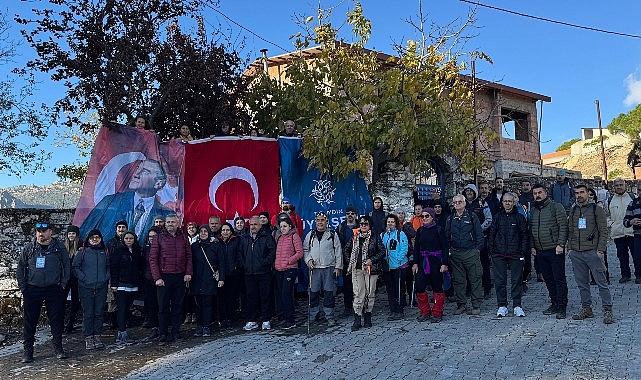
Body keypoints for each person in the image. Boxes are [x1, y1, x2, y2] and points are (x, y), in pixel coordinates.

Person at [80, 159, 173, 243]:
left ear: (158, 183)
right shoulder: (109, 202)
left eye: (145, 172)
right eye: (137, 169)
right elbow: (85, 234)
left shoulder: (166, 215)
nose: (136, 174)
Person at [17, 222, 70, 362]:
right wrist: (24, 289)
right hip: (33, 289)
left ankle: (58, 347)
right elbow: (21, 269)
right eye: (38, 231)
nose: (41, 233)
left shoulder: (59, 248)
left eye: (44, 231)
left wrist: (62, 285)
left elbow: (66, 267)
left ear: (50, 232)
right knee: (30, 321)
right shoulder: (29, 249)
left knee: (56, 319)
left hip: (54, 289)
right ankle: (28, 351)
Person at [567, 184, 613, 324]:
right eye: (576, 193)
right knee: (582, 284)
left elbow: (603, 231)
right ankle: (587, 308)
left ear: (588, 194)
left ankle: (607, 309)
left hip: (593, 252)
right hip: (577, 253)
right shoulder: (573, 210)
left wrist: (600, 250)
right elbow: (570, 231)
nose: (579, 195)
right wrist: (570, 249)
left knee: (601, 282)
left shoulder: (596, 210)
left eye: (582, 192)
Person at [149, 214, 193, 345]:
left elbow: (189, 256)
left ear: (177, 223)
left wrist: (188, 272)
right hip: (164, 277)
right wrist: (157, 277)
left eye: (172, 222)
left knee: (178, 306)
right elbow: (153, 259)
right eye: (168, 222)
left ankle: (176, 331)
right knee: (162, 307)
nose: (170, 224)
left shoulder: (183, 237)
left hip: (179, 276)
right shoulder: (158, 238)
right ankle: (163, 333)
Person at [530, 183, 569, 319]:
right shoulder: (534, 210)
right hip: (540, 250)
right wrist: (532, 246)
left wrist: (561, 244)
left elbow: (563, 226)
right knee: (548, 279)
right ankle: (554, 303)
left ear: (545, 193)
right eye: (535, 193)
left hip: (555, 249)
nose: (537, 195)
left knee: (559, 279)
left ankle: (562, 306)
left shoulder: (556, 207)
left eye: (540, 192)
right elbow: (532, 229)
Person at [488, 193, 529, 317]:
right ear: (502, 202)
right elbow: (492, 235)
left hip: (516, 253)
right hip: (498, 254)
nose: (507, 203)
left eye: (509, 201)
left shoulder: (519, 217)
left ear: (513, 202)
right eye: (505, 201)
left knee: (517, 280)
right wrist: (492, 251)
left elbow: (524, 235)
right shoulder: (497, 217)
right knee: (500, 281)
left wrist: (522, 251)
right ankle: (502, 305)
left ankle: (517, 305)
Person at [345, 215, 385, 331]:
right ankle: (357, 318)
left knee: (370, 293)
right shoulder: (354, 237)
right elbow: (346, 250)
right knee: (358, 294)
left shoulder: (375, 237)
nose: (363, 226)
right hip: (357, 269)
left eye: (365, 224)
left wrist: (372, 260)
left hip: (370, 270)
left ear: (370, 226)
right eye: (361, 224)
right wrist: (351, 261)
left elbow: (382, 251)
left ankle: (368, 316)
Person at [445, 194, 484, 316]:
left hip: (470, 252)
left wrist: (477, 250)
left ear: (464, 203)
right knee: (458, 280)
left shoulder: (472, 217)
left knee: (475, 278)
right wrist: (449, 251)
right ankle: (461, 304)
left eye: (460, 202)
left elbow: (479, 235)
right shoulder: (450, 218)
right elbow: (446, 236)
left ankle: (476, 304)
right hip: (456, 253)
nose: (457, 204)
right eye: (455, 202)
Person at [303, 212, 343, 327]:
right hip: (314, 268)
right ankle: (313, 316)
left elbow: (338, 251)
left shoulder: (332, 234)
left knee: (329, 293)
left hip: (328, 267)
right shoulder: (310, 234)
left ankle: (329, 316)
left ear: (327, 222)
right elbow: (305, 249)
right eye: (318, 220)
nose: (320, 222)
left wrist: (338, 267)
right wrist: (308, 260)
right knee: (313, 293)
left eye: (322, 220)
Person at [73, 229, 110, 350]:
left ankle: (97, 335)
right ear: (88, 239)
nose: (95, 239)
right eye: (92, 237)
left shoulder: (105, 251)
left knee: (99, 313)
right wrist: (84, 278)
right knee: (88, 313)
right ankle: (88, 337)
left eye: (97, 237)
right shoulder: (82, 251)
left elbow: (109, 267)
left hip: (101, 287)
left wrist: (106, 277)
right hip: (86, 287)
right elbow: (75, 267)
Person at [240, 216, 276, 331]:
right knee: (251, 297)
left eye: (255, 224)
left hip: (264, 272)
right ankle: (252, 320)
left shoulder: (267, 236)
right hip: (249, 273)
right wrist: (244, 264)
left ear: (260, 225)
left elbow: (272, 251)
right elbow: (240, 253)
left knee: (265, 296)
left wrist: (264, 263)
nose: (253, 227)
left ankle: (266, 320)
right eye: (251, 225)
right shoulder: (245, 238)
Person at [412, 208, 448, 323]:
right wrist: (415, 263)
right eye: (422, 216)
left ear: (432, 217)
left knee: (437, 286)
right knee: (419, 286)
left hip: (436, 261)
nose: (424, 218)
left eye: (426, 216)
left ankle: (437, 312)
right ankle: (425, 311)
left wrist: (444, 263)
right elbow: (416, 248)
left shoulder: (439, 230)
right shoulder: (420, 231)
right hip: (423, 261)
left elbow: (445, 247)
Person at [190, 225, 225, 337]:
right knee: (198, 305)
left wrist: (221, 278)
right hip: (196, 280)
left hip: (209, 279)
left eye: (206, 231)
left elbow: (221, 263)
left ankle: (207, 326)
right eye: (201, 231)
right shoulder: (194, 246)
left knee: (208, 304)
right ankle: (199, 326)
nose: (203, 233)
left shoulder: (215, 246)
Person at [110, 231, 143, 344]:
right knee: (122, 308)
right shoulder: (118, 251)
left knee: (128, 307)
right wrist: (114, 283)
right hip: (121, 285)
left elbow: (139, 267)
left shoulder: (137, 251)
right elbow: (114, 268)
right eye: (127, 238)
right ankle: (122, 331)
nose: (129, 240)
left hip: (133, 285)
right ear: (123, 240)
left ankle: (122, 331)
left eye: (131, 238)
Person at [462, 184, 493, 299]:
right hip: (468, 240)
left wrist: (478, 229)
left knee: (484, 263)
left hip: (481, 238)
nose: (469, 193)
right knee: (469, 265)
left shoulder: (482, 203)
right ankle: (469, 288)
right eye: (467, 191)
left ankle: (487, 287)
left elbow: (489, 219)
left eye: (471, 191)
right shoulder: (463, 204)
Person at [274, 218, 304, 329]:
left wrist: (289, 260)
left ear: (290, 226)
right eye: (281, 227)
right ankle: (284, 316)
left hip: (290, 269)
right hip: (279, 269)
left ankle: (290, 320)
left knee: (286, 293)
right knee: (281, 294)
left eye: (285, 226)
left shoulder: (294, 236)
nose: (283, 229)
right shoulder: (280, 238)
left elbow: (300, 252)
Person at [381, 214, 410, 320]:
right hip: (387, 267)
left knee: (399, 288)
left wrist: (398, 259)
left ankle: (400, 309)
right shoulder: (383, 235)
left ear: (396, 223)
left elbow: (404, 248)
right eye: (388, 222)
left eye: (392, 222)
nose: (390, 224)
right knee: (390, 289)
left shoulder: (400, 234)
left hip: (399, 266)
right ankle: (393, 309)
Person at [609, 178, 635, 283]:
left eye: (621, 185)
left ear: (625, 186)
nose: (619, 187)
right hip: (618, 232)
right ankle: (625, 275)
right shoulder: (610, 200)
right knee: (622, 256)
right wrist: (611, 224)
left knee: (636, 254)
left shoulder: (633, 198)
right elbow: (606, 215)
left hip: (632, 231)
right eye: (617, 185)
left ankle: (638, 275)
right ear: (613, 187)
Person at [218, 222, 243, 329]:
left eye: (227, 230)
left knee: (232, 297)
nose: (225, 232)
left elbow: (239, 255)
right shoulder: (217, 242)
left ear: (231, 231)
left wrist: (236, 266)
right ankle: (222, 319)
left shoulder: (236, 240)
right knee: (221, 298)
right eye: (223, 230)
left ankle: (231, 318)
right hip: (221, 275)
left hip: (233, 274)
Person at [337, 205, 359, 318]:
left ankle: (360, 307)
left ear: (356, 215)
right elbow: (337, 245)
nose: (350, 215)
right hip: (346, 260)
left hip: (360, 260)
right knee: (347, 285)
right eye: (348, 213)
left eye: (352, 213)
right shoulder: (341, 227)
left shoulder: (361, 225)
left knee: (359, 285)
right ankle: (348, 307)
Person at [141, 226, 162, 339]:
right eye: (149, 237)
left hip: (161, 279)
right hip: (149, 280)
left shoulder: (163, 247)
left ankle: (162, 326)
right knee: (152, 305)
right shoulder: (146, 248)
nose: (151, 239)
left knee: (161, 305)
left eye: (154, 236)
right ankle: (154, 327)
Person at [63, 225, 82, 334]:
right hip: (66, 278)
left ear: (76, 235)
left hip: (76, 278)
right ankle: (62, 323)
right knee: (62, 301)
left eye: (73, 233)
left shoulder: (80, 246)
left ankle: (70, 324)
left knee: (75, 301)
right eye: (69, 233)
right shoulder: (63, 247)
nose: (71, 235)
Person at [623, 181, 641, 285]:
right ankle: (638, 275)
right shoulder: (633, 203)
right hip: (638, 235)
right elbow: (625, 221)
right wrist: (631, 221)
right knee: (638, 258)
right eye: (639, 190)